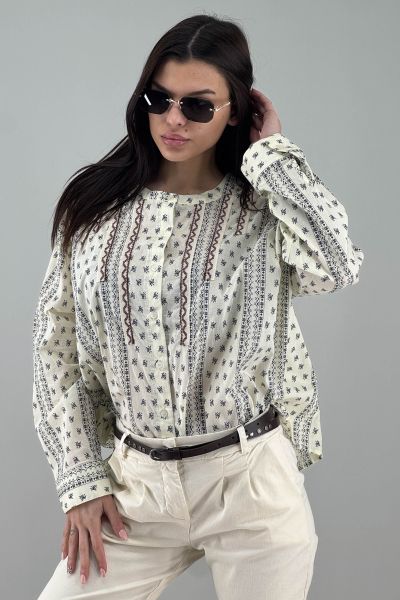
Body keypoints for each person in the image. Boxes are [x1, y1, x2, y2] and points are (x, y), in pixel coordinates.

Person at [32, 12, 364, 600]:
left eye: (197, 106)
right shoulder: (94, 208)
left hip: (250, 484)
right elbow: (54, 345)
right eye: (158, 99)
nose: (173, 119)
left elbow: (337, 266)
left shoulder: (263, 208)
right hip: (135, 488)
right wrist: (80, 480)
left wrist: (271, 156)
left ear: (236, 110)